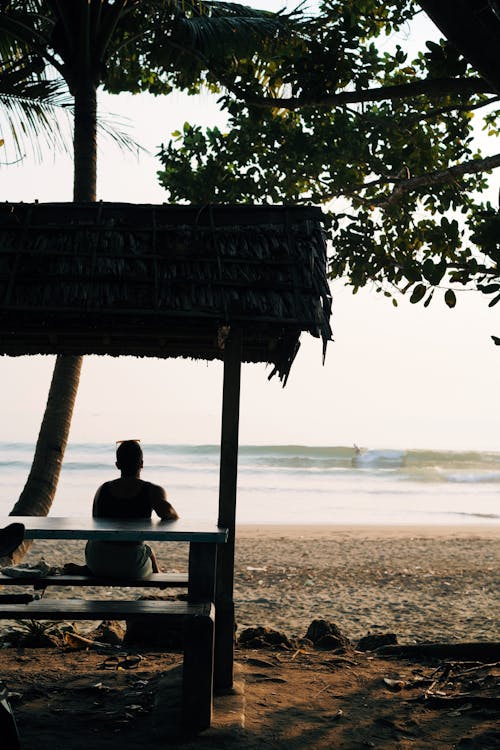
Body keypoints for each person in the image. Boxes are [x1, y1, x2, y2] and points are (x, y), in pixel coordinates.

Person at [85, 440, 178, 578]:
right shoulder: (152, 490)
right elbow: (168, 513)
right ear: (141, 463)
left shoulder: (102, 490)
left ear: (117, 465)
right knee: (146, 550)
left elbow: (96, 523)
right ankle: (157, 571)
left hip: (97, 562)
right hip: (131, 565)